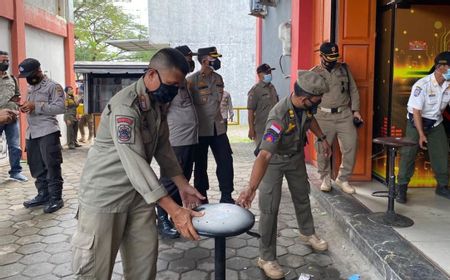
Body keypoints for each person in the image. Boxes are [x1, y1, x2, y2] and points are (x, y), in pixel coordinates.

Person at [71, 48, 204, 279]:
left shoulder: (156, 103)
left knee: (144, 266)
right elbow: (136, 164)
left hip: (140, 196)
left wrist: (183, 184)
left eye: (178, 87)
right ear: (152, 74)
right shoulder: (126, 107)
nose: (173, 91)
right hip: (105, 197)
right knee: (95, 271)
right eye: (171, 84)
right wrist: (174, 210)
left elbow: (163, 148)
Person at [237, 70, 331, 280]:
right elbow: (264, 155)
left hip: (295, 158)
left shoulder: (305, 108)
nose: (318, 103)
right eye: (316, 100)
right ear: (304, 98)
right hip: (275, 161)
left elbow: (310, 120)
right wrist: (251, 188)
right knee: (270, 207)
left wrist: (322, 138)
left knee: (301, 196)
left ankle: (307, 233)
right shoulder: (278, 116)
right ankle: (266, 257)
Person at [156, 45, 199, 239]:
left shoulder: (183, 83)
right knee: (170, 181)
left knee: (183, 179)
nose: (190, 61)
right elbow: (162, 111)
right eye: (187, 58)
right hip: (176, 140)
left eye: (191, 58)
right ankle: (163, 218)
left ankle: (176, 213)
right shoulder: (170, 84)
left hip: (190, 139)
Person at [396, 51, 450, 203]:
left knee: (442, 152)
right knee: (408, 153)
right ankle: (402, 187)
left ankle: (442, 186)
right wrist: (421, 134)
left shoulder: (448, 85)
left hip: (435, 123)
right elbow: (417, 111)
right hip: (416, 122)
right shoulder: (422, 85)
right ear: (441, 68)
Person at [311, 42, 363, 194]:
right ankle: (325, 177)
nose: (333, 60)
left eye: (335, 57)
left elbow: (353, 90)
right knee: (322, 149)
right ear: (321, 56)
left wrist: (356, 111)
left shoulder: (344, 69)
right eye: (330, 57)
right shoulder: (314, 73)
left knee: (350, 146)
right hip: (323, 116)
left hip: (344, 114)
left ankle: (343, 178)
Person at [187, 47, 234, 204]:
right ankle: (201, 196)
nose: (217, 60)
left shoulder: (218, 78)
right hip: (200, 129)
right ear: (205, 60)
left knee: (226, 161)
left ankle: (226, 195)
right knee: (200, 165)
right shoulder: (191, 81)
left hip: (218, 128)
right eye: (214, 58)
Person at [18, 58, 65, 213]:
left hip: (47, 131)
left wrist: (36, 106)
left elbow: (60, 107)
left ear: (39, 70)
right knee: (36, 165)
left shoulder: (53, 86)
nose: (28, 79)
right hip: (32, 133)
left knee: (51, 165)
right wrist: (26, 107)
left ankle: (55, 198)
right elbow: (31, 105)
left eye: (31, 75)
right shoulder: (31, 87)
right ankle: (43, 194)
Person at [0, 50, 28, 182]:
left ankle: (16, 172)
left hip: (12, 119)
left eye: (7, 61)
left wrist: (17, 108)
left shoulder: (12, 78)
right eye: (3, 61)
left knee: (14, 146)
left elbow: (17, 95)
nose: (5, 63)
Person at [247, 63, 279, 144]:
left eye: (270, 72)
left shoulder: (272, 87)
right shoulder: (255, 90)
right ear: (259, 75)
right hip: (261, 129)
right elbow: (250, 111)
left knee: (272, 153)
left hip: (273, 127)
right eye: (267, 73)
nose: (269, 74)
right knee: (262, 153)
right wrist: (251, 129)